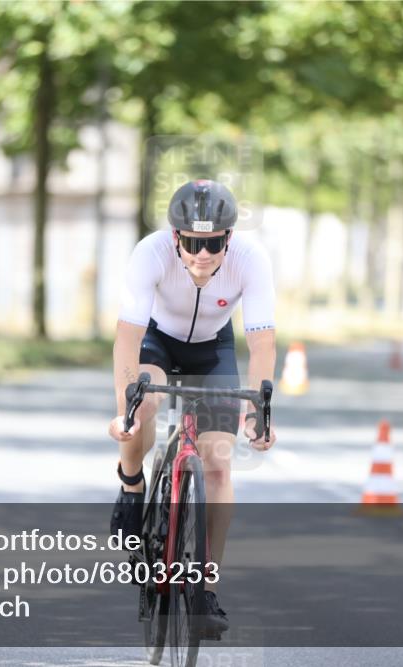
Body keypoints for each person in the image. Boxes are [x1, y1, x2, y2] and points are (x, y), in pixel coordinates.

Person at [107, 179, 278, 634]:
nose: (203, 254)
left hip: (212, 348)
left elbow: (262, 343)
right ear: (175, 236)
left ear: (229, 238)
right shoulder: (150, 252)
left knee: (218, 465)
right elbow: (127, 338)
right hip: (156, 340)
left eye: (214, 243)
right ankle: (131, 482)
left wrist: (258, 414)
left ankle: (206, 589)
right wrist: (125, 410)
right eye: (192, 243)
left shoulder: (251, 259)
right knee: (146, 402)